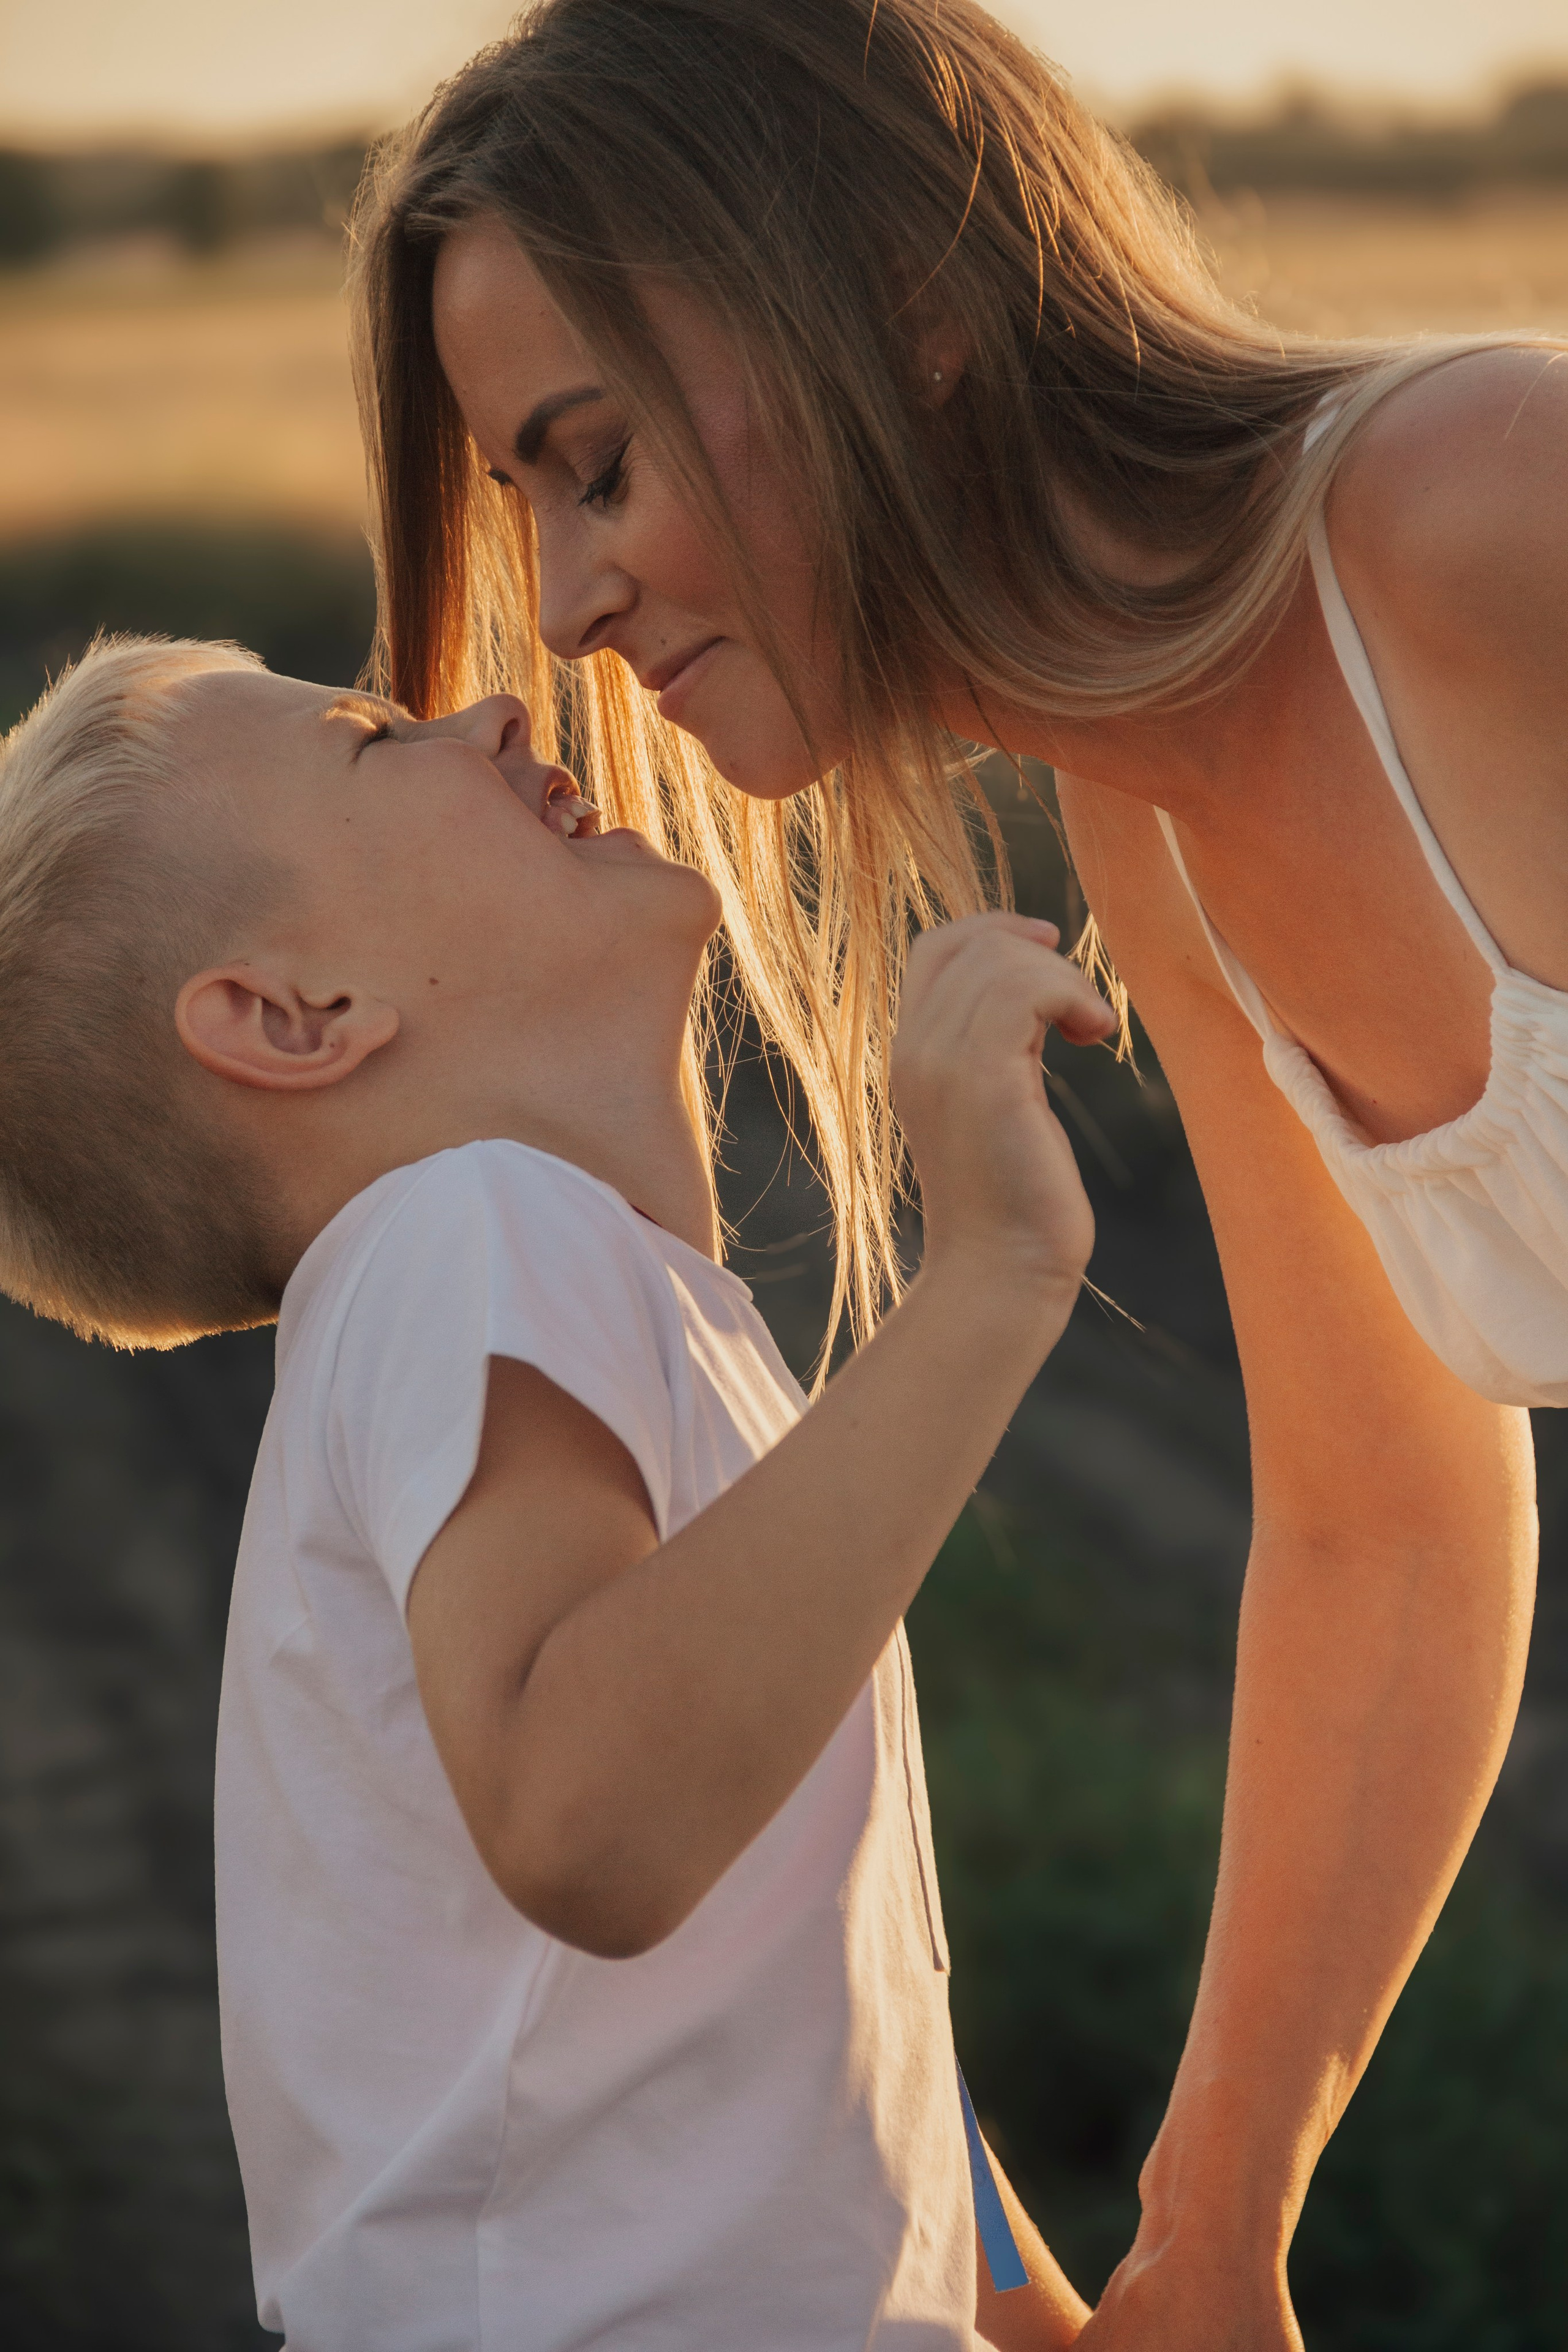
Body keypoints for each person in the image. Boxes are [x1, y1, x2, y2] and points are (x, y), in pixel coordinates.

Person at [350, 0, 1562, 2342]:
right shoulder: (1155, 820)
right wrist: (1214, 2223)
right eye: (527, 503)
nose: (567, 603)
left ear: (901, 309)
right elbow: (1390, 1523)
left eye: (597, 464)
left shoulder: (1492, 515)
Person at [0, 632, 1117, 2350]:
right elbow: (592, 1819)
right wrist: (992, 1272)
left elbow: (815, 2010)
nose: (494, 707)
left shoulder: (559, 1284)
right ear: (296, 1015)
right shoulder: (464, 1224)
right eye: (374, 740)